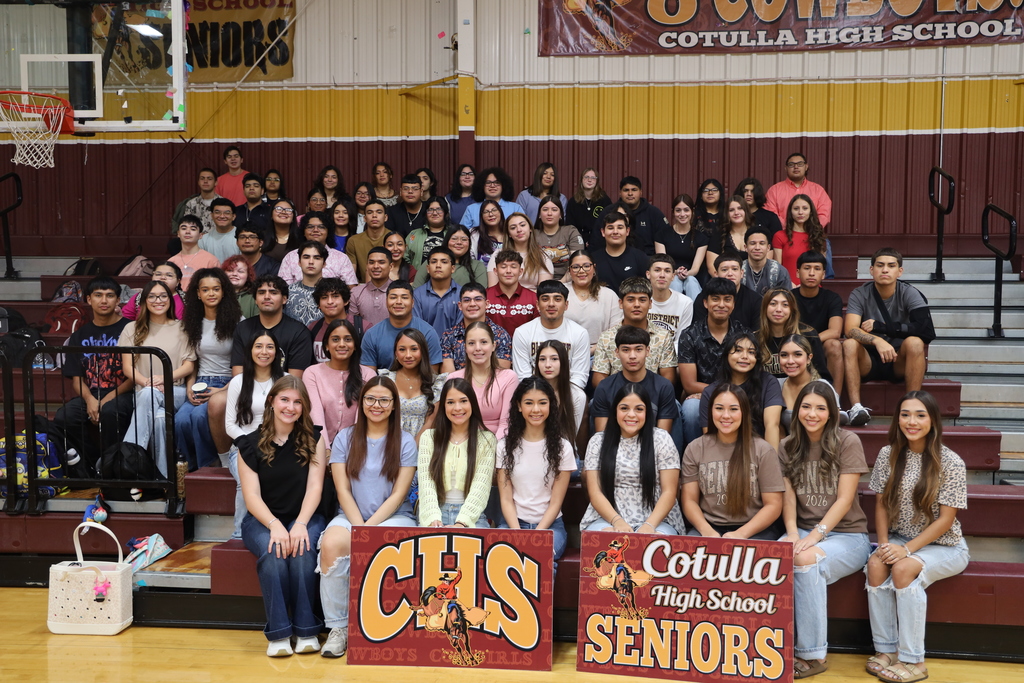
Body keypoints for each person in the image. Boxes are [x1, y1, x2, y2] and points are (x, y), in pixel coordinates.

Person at [865, 391, 969, 683]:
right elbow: (882, 505)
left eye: (920, 415)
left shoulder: (950, 462)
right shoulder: (889, 454)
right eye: (905, 414)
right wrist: (884, 545)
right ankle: (887, 650)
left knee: (902, 568)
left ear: (933, 420)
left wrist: (906, 551)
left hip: (945, 546)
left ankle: (914, 660)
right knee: (875, 564)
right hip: (899, 539)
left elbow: (947, 520)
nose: (912, 421)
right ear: (897, 419)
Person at [317, 376, 418, 658]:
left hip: (395, 516)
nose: (377, 405)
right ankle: (338, 628)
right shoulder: (345, 438)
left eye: (385, 399)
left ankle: (391, 627)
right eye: (370, 399)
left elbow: (398, 495)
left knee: (395, 546)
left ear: (394, 405)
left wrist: (367, 532)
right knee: (332, 544)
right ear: (361, 403)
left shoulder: (406, 441)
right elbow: (342, 489)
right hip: (351, 515)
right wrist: (359, 528)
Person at [779, 381, 871, 678]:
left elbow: (845, 500)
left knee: (804, 561)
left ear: (832, 413)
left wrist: (814, 536)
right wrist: (792, 532)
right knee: (771, 559)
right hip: (804, 529)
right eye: (806, 406)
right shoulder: (787, 444)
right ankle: (773, 645)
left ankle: (813, 654)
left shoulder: (848, 441)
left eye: (820, 408)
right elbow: (788, 494)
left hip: (848, 536)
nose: (812, 413)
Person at [236, 375, 327, 657]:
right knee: (274, 550)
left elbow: (315, 487)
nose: (291, 407)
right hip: (263, 518)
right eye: (285, 400)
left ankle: (307, 630)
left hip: (306, 515)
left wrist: (300, 523)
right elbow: (251, 497)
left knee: (302, 551)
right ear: (272, 402)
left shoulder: (315, 438)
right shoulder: (248, 445)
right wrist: (275, 525)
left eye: (297, 402)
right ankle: (278, 634)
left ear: (304, 407)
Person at [844, 248, 934, 427]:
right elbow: (850, 329)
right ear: (871, 270)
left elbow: (927, 332)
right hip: (868, 359)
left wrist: (883, 328)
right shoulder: (860, 293)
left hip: (898, 359)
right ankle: (856, 407)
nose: (885, 270)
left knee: (916, 342)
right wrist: (878, 340)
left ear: (899, 271)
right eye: (880, 265)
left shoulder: (909, 292)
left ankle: (912, 406)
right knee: (849, 344)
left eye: (891, 266)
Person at [682, 383, 784, 539]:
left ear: (744, 412)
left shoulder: (763, 450)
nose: (726, 416)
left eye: (733, 409)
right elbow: (689, 501)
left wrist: (741, 534)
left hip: (755, 530)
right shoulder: (695, 448)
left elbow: (774, 504)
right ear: (710, 411)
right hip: (708, 528)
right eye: (719, 408)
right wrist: (707, 531)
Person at [580, 384, 685, 534]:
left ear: (647, 413)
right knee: (607, 540)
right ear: (615, 411)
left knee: (653, 543)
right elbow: (596, 493)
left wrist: (649, 525)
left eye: (639, 409)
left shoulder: (662, 439)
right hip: (607, 517)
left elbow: (669, 492)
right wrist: (617, 521)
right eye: (624, 408)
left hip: (658, 519)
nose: (631, 415)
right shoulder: (598, 442)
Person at [54, 276, 134, 470]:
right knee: (65, 417)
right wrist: (90, 399)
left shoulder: (130, 329)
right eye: (98, 295)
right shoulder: (79, 335)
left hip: (125, 392)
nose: (104, 301)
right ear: (89, 299)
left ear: (118, 300)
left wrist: (107, 399)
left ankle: (113, 465)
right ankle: (93, 463)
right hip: (92, 392)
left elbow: (134, 374)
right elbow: (76, 379)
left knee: (109, 412)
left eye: (109, 296)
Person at [496, 377, 575, 572]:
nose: (536, 410)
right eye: (529, 403)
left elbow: (556, 503)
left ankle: (547, 605)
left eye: (542, 403)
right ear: (519, 406)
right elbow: (506, 500)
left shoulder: (563, 448)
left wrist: (535, 537)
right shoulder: (504, 446)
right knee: (500, 560)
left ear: (551, 405)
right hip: (513, 523)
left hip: (550, 526)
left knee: (540, 560)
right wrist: (518, 534)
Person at [119, 280, 196, 477]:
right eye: (152, 296)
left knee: (150, 395)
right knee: (160, 420)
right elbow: (127, 367)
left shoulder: (183, 327)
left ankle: (127, 462)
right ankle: (164, 479)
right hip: (144, 392)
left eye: (163, 296)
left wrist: (163, 379)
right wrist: (147, 382)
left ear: (170, 300)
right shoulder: (131, 328)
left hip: (175, 391)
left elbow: (189, 365)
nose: (158, 300)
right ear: (144, 301)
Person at [175, 268, 241, 470]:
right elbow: (192, 362)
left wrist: (221, 391)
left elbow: (243, 368)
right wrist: (190, 386)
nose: (211, 294)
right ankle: (189, 471)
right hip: (200, 382)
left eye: (216, 289)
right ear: (198, 293)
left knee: (198, 417)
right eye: (205, 289)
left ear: (223, 292)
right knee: (181, 421)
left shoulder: (239, 322)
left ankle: (211, 467)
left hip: (227, 382)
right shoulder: (191, 323)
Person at [225, 331, 286, 537]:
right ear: (250, 351)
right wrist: (247, 444)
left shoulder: (285, 381)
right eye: (258, 346)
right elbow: (230, 425)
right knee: (246, 482)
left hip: (279, 444)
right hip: (243, 446)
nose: (264, 352)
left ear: (277, 352)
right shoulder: (238, 382)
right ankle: (239, 534)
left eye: (269, 347)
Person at [677, 277, 750, 448]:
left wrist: (722, 392)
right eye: (715, 299)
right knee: (691, 408)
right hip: (700, 394)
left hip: (738, 393)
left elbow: (749, 376)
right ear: (705, 303)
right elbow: (689, 384)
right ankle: (698, 457)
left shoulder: (743, 334)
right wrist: (711, 393)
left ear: (733, 303)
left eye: (727, 299)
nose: (721, 305)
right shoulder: (690, 335)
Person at [417, 377, 497, 527]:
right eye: (450, 402)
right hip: (434, 515)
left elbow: (481, 487)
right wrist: (434, 520)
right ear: (443, 406)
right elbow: (426, 483)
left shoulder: (487, 440)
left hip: (473, 518)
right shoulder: (428, 438)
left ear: (472, 403)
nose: (457, 408)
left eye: (463, 401)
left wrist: (461, 523)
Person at [698, 332, 784, 449]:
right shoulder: (711, 391)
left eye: (751, 352)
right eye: (738, 350)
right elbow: (710, 437)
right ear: (726, 354)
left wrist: (770, 462)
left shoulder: (768, 382)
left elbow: (772, 425)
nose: (745, 356)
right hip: (724, 452)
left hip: (760, 451)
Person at [303, 319, 377, 448]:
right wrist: (325, 449)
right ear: (326, 345)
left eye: (348, 339)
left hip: (357, 447)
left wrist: (353, 450)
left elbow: (362, 417)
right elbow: (315, 414)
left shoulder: (368, 375)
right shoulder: (312, 373)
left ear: (355, 345)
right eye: (335, 339)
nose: (342, 344)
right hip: (318, 445)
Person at [591, 277, 676, 387]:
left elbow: (668, 378)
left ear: (650, 303)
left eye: (642, 300)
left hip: (653, 397)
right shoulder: (607, 337)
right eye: (630, 300)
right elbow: (599, 378)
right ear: (621, 303)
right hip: (616, 398)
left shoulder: (663, 336)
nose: (636, 305)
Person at [591, 326, 678, 433]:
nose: (632, 356)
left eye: (638, 349)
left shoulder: (663, 386)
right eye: (626, 350)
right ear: (617, 353)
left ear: (647, 351)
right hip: (613, 446)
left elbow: (663, 436)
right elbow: (601, 436)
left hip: (652, 446)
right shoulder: (605, 387)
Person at [511, 279, 590, 390]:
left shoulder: (579, 333)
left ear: (566, 305)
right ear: (538, 305)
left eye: (557, 299)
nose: (551, 304)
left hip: (567, 393)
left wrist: (561, 396)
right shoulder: (523, 332)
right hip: (534, 393)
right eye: (545, 299)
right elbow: (523, 377)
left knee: (580, 397)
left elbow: (579, 377)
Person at [231, 275, 315, 378]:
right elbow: (238, 375)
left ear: (284, 299)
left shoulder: (299, 332)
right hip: (248, 389)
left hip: (284, 390)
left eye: (273, 292)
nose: (267, 296)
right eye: (261, 292)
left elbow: (294, 380)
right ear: (255, 300)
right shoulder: (242, 328)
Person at [448, 321, 519, 439]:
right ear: (465, 347)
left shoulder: (509, 377)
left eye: (484, 342)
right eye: (471, 343)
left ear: (493, 346)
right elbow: (450, 422)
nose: (477, 348)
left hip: (498, 444)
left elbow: (506, 423)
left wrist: (489, 451)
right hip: (463, 443)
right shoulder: (453, 379)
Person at [380, 328, 448, 440]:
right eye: (402, 349)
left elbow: (431, 421)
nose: (408, 355)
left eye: (414, 349)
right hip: (390, 443)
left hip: (422, 446)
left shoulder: (436, 383)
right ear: (396, 353)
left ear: (423, 352)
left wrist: (412, 448)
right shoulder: (386, 379)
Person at [359, 280, 442, 372]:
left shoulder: (428, 332)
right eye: (393, 297)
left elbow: (432, 373)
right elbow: (369, 376)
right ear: (386, 302)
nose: (398, 302)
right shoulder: (372, 334)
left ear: (412, 302)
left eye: (404, 297)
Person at [793, 251, 845, 394]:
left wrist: (811, 341)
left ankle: (835, 399)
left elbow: (835, 331)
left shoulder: (832, 298)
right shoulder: (788, 297)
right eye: (807, 268)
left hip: (821, 344)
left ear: (823, 274)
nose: (811, 273)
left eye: (817, 269)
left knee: (834, 344)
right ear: (797, 272)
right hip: (794, 344)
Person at [779, 334, 847, 432]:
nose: (790, 361)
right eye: (784, 355)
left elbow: (833, 428)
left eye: (797, 354)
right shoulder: (776, 386)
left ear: (809, 358)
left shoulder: (824, 386)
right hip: (786, 445)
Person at [758, 288, 830, 380]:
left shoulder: (808, 335)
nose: (779, 309)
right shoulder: (756, 338)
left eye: (785, 305)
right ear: (764, 308)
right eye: (773, 304)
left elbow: (821, 374)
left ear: (792, 309)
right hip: (767, 391)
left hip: (804, 390)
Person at [440, 283, 512, 372]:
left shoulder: (501, 335)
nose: (472, 304)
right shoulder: (448, 336)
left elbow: (502, 375)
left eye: (478, 299)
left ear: (487, 304)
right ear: (460, 305)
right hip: (458, 385)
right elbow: (448, 376)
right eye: (466, 300)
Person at [564, 249, 622, 354]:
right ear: (569, 270)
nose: (581, 271)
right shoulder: (560, 293)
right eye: (576, 267)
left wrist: (593, 350)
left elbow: (616, 331)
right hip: (564, 352)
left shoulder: (609, 295)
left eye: (586, 266)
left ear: (594, 268)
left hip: (600, 353)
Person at [277, 212, 358, 287]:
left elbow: (350, 288)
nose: (315, 230)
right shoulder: (291, 257)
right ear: (303, 232)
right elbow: (283, 289)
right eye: (310, 227)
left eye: (321, 227)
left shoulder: (341, 258)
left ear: (328, 232)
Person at [593, 176, 669, 255]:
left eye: (634, 190)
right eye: (626, 190)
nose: (630, 193)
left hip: (647, 260)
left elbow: (666, 240)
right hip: (612, 258)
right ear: (620, 193)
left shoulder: (654, 213)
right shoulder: (608, 212)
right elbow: (596, 241)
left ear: (640, 192)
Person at [654, 193, 707, 300]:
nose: (682, 214)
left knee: (691, 281)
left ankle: (696, 315)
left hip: (692, 277)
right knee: (675, 282)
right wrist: (675, 272)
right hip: (669, 275)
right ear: (673, 212)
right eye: (678, 210)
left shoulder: (701, 237)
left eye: (686, 210)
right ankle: (673, 315)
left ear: (692, 211)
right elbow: (663, 263)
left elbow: (695, 268)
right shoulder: (662, 235)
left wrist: (686, 273)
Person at [691, 254, 762, 331]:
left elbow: (757, 333)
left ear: (741, 273)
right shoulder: (704, 297)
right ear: (716, 274)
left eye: (734, 269)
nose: (730, 274)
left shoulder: (755, 299)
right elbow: (697, 330)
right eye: (724, 270)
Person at [764, 152, 832, 229]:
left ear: (806, 167)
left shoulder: (818, 190)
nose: (796, 167)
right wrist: (792, 229)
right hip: (783, 234)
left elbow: (824, 215)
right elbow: (771, 215)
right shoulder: (774, 190)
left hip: (812, 235)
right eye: (791, 164)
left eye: (800, 164)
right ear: (785, 168)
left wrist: (808, 229)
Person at [534, 340, 586, 440]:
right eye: (542, 359)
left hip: (563, 448)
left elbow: (570, 435)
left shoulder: (577, 395)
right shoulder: (528, 392)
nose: (547, 364)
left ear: (563, 362)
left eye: (554, 359)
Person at [486, 214, 553, 291]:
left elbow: (544, 291)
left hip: (533, 300)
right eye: (513, 228)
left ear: (530, 228)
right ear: (509, 234)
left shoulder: (542, 256)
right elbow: (492, 289)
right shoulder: (498, 254)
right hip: (503, 300)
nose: (519, 230)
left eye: (522, 225)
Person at [589, 212, 650, 294]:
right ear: (603, 232)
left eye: (620, 228)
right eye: (610, 228)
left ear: (627, 231)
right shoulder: (592, 259)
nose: (615, 232)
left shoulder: (640, 258)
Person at [773, 194, 829, 283]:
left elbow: (820, 268)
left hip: (812, 288)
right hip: (788, 288)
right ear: (790, 212)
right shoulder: (780, 236)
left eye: (805, 208)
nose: (800, 212)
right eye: (796, 209)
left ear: (811, 211)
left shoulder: (818, 236)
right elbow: (777, 269)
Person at [307, 279, 363, 363]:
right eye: (324, 297)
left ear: (346, 301)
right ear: (318, 304)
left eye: (335, 296)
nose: (330, 302)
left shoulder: (362, 326)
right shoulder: (313, 328)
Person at [485, 251, 539, 338]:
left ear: (520, 271)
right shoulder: (485, 296)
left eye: (513, 267)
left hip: (524, 349)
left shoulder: (533, 298)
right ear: (495, 271)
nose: (508, 271)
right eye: (503, 267)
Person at [411, 247, 462, 337]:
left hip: (456, 347)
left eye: (444, 262)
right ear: (428, 268)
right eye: (434, 262)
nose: (438, 265)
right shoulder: (417, 295)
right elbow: (417, 329)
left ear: (453, 268)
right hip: (426, 347)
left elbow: (462, 328)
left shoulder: (462, 294)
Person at [646, 254, 694, 349]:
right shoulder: (639, 300)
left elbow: (680, 340)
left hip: (672, 356)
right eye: (657, 270)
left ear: (673, 276)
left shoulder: (685, 302)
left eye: (667, 271)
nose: (662, 275)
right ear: (648, 274)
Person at [534, 195, 584, 280]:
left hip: (568, 281)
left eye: (554, 210)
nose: (549, 213)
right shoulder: (532, 234)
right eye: (545, 210)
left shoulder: (570, 231)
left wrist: (562, 282)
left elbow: (577, 263)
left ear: (560, 214)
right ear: (539, 214)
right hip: (538, 282)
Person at [459, 167, 525, 229]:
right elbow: (462, 233)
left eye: (497, 182)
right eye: (488, 182)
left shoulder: (515, 208)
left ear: (503, 185)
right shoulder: (471, 209)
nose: (492, 186)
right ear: (482, 186)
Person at [169, 215, 221, 291]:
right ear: (178, 234)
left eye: (193, 229)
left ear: (200, 235)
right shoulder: (171, 262)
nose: (187, 232)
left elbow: (217, 287)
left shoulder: (211, 260)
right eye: (183, 228)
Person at [121, 261, 185, 321]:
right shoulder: (139, 297)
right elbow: (126, 319)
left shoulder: (187, 299)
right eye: (158, 274)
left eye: (169, 275)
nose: (162, 278)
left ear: (178, 281)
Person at [283, 242, 328, 327]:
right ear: (299, 262)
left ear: (324, 263)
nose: (311, 262)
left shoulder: (332, 293)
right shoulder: (287, 292)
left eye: (317, 258)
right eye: (306, 257)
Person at [345, 199, 389, 282]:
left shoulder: (393, 239)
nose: (374, 215)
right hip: (362, 287)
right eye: (370, 212)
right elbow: (351, 275)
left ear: (385, 217)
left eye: (379, 212)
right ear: (365, 218)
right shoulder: (354, 241)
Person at [706, 195, 752, 273]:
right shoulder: (719, 235)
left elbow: (766, 261)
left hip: (754, 281)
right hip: (726, 280)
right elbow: (712, 267)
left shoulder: (756, 233)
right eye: (731, 210)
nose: (736, 213)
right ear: (726, 214)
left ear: (746, 211)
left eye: (740, 208)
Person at [348, 247, 392, 329]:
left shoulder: (399, 291)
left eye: (381, 262)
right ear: (367, 266)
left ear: (391, 266)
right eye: (371, 262)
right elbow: (353, 325)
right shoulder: (356, 292)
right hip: (364, 340)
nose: (375, 266)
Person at [566, 167, 611, 246]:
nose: (589, 180)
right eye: (586, 177)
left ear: (597, 181)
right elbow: (570, 226)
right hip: (578, 243)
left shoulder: (604, 200)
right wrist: (583, 239)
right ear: (581, 180)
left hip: (600, 243)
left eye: (593, 178)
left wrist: (594, 240)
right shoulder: (573, 202)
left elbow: (609, 222)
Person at [405, 196, 450, 272]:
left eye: (439, 209)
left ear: (446, 213)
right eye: (430, 210)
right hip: (418, 279)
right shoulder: (414, 234)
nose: (434, 213)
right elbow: (404, 257)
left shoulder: (453, 233)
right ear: (425, 213)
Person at [742, 226, 791, 296]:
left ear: (768, 247)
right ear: (746, 247)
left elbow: (786, 300)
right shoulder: (738, 270)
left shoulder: (780, 271)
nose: (757, 248)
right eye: (753, 243)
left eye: (762, 243)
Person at [172, 167, 221, 236]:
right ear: (198, 182)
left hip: (217, 241)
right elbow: (187, 225)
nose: (205, 181)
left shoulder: (223, 203)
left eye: (209, 179)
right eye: (202, 178)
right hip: (195, 242)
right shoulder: (191, 204)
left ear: (215, 182)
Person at [200, 197, 243, 264]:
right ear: (212, 215)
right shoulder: (204, 240)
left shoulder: (242, 237)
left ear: (233, 216)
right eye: (217, 212)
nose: (222, 216)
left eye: (227, 213)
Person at [470, 198, 504, 265]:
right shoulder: (474, 233)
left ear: (500, 212)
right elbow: (471, 260)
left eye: (494, 210)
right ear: (481, 216)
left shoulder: (510, 232)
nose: (491, 214)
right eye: (486, 212)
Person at [264, 199, 299, 263]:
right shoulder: (262, 237)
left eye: (288, 210)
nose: (283, 212)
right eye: (278, 209)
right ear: (271, 215)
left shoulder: (301, 238)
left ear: (293, 217)